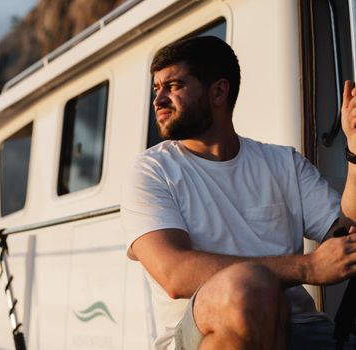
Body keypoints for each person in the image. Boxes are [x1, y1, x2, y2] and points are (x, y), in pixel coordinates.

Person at [121, 36, 356, 350]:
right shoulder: (152, 171)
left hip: (302, 330)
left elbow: (345, 238)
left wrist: (354, 151)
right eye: (157, 88)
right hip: (204, 334)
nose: (159, 99)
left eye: (174, 86)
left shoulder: (282, 163)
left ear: (218, 91)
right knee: (248, 289)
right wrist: (308, 266)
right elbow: (174, 274)